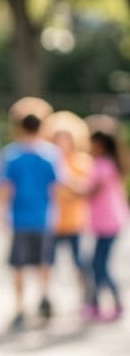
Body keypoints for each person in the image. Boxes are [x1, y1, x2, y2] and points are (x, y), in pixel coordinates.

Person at [0, 97, 61, 329]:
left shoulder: (11, 154)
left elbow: (5, 188)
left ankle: (20, 307)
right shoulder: (50, 154)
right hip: (44, 217)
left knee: (19, 266)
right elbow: (56, 188)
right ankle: (44, 297)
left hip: (19, 218)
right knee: (44, 263)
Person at [42, 110, 93, 312]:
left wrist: (65, 177)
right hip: (52, 220)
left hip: (74, 221)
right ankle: (45, 299)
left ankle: (86, 298)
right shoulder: (47, 159)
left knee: (79, 263)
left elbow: (85, 189)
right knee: (47, 263)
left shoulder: (81, 161)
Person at [82, 115, 128, 322]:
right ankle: (96, 304)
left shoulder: (103, 165)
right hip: (108, 222)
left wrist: (66, 182)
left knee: (99, 265)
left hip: (108, 223)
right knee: (96, 264)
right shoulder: (109, 163)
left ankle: (112, 303)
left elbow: (90, 191)